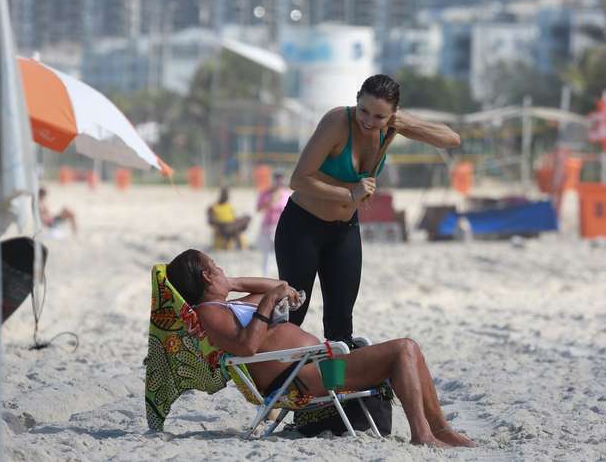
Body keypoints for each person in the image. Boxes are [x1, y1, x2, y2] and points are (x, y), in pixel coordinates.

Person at [166, 249, 476, 448]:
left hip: (315, 366)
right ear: (207, 275)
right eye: (217, 267)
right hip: (302, 379)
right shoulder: (210, 314)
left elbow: (277, 284)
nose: (223, 270)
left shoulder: (229, 305)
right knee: (403, 349)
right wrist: (268, 303)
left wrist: (232, 282)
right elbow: (247, 347)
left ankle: (439, 429)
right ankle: (422, 434)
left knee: (411, 350)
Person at [275, 74, 460, 343]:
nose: (369, 121)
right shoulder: (337, 121)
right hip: (303, 227)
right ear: (357, 100)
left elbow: (451, 139)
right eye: (364, 110)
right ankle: (273, 378)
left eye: (379, 117)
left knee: (341, 324)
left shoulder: (392, 125)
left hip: (344, 230)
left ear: (392, 114)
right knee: (293, 314)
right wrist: (350, 193)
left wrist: (405, 122)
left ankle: (336, 384)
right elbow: (299, 180)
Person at [255, 171, 292, 276]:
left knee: (282, 252)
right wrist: (271, 200)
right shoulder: (266, 193)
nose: (279, 180)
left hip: (281, 225)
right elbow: (258, 208)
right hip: (267, 225)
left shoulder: (287, 194)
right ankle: (266, 274)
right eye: (277, 178)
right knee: (267, 253)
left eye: (281, 178)